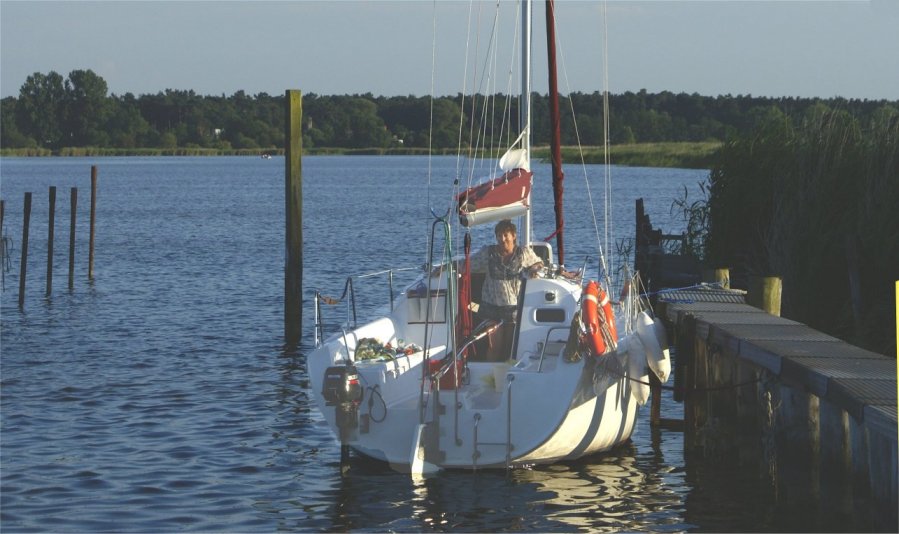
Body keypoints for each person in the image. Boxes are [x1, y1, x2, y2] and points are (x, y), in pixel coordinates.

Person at [469, 219, 543, 360]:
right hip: (491, 308)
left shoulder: (523, 253)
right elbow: (468, 264)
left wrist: (533, 269)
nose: (502, 239)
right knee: (494, 347)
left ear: (513, 236)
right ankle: (490, 372)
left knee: (509, 347)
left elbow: (539, 263)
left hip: (512, 309)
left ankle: (505, 372)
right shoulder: (488, 253)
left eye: (505, 235)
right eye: (499, 236)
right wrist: (446, 267)